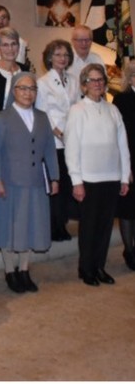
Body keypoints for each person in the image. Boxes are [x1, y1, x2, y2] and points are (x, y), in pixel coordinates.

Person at [0, 72, 59, 293]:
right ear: (14, 91)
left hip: (36, 181)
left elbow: (49, 149)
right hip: (10, 182)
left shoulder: (42, 117)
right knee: (10, 228)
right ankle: (10, 271)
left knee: (31, 226)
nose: (28, 93)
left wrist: (54, 177)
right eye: (23, 88)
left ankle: (25, 270)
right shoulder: (2, 117)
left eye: (32, 89)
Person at [65, 63, 130, 286]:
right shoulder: (77, 110)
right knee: (90, 227)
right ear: (84, 85)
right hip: (89, 179)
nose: (97, 84)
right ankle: (86, 269)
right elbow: (71, 147)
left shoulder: (113, 110)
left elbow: (123, 145)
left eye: (100, 80)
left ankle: (100, 266)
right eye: (92, 80)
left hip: (111, 177)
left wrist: (125, 176)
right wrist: (76, 181)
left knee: (104, 226)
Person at [36, 40, 79, 241]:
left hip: (74, 139)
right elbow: (43, 113)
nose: (62, 58)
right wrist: (60, 133)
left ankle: (63, 223)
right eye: (58, 54)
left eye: (66, 55)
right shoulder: (42, 82)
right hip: (54, 141)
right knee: (56, 184)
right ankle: (54, 226)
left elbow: (78, 108)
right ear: (50, 57)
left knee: (68, 184)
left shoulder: (74, 80)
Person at [113, 60, 135, 271]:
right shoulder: (122, 100)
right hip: (130, 160)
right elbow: (119, 136)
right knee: (128, 209)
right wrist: (125, 168)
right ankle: (129, 249)